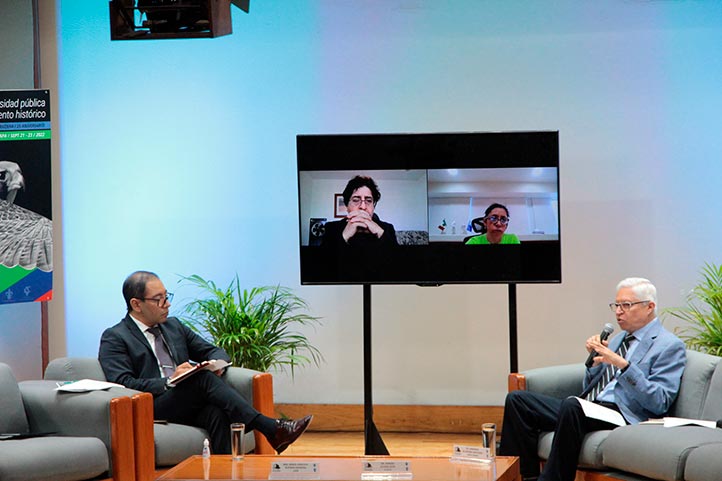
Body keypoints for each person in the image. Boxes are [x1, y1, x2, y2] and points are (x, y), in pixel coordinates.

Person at [99, 270, 313, 455]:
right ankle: (271, 427)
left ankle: (227, 473)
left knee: (216, 413)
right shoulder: (115, 337)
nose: (168, 303)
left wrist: (215, 364)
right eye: (159, 299)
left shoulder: (173, 326)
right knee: (201, 379)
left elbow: (214, 350)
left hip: (184, 400)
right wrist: (168, 381)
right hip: (151, 404)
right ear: (136, 304)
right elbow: (122, 382)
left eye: (167, 296)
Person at [498, 277, 686, 481]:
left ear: (649, 307)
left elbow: (659, 402)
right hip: (592, 407)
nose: (618, 311)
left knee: (573, 406)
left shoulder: (669, 345)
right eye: (616, 305)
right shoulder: (619, 339)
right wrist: (594, 366)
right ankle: (522, 476)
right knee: (518, 400)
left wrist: (624, 365)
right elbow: (591, 387)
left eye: (626, 305)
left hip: (625, 414)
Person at [321, 175, 398, 248]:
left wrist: (381, 234)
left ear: (373, 206)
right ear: (347, 206)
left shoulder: (387, 229)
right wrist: (344, 237)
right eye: (356, 200)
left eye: (368, 200)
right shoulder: (331, 229)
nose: (363, 207)